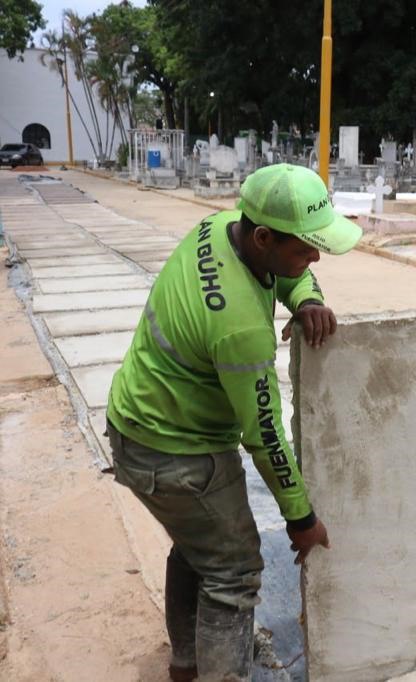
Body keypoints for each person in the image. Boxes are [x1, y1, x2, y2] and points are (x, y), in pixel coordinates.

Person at [106, 163, 362, 681]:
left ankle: (186, 665)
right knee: (234, 571)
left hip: (137, 423)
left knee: (199, 548)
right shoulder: (241, 326)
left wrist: (306, 297)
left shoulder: (221, 225)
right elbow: (265, 437)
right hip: (176, 452)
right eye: (305, 249)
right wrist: (302, 520)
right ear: (264, 237)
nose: (315, 257)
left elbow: (286, 268)